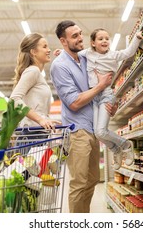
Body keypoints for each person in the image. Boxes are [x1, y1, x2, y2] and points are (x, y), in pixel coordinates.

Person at [54, 28, 143, 170]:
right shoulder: (87, 53)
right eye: (100, 39)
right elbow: (71, 54)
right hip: (93, 97)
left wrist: (137, 38)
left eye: (107, 38)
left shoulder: (113, 55)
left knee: (101, 131)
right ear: (93, 43)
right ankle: (116, 149)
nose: (104, 41)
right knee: (98, 133)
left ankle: (125, 145)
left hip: (106, 94)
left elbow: (128, 52)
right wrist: (60, 52)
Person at [50, 20, 115, 213]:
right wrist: (100, 86)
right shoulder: (59, 66)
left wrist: (109, 100)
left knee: (93, 178)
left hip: (93, 126)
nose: (80, 39)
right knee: (79, 183)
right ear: (63, 41)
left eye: (80, 34)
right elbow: (74, 102)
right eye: (74, 36)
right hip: (77, 130)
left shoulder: (85, 58)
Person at [10, 32, 61, 133]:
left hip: (36, 131)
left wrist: (45, 118)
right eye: (44, 47)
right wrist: (40, 119)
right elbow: (14, 99)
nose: (49, 50)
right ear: (33, 52)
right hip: (33, 132)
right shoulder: (33, 70)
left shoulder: (37, 74)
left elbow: (35, 105)